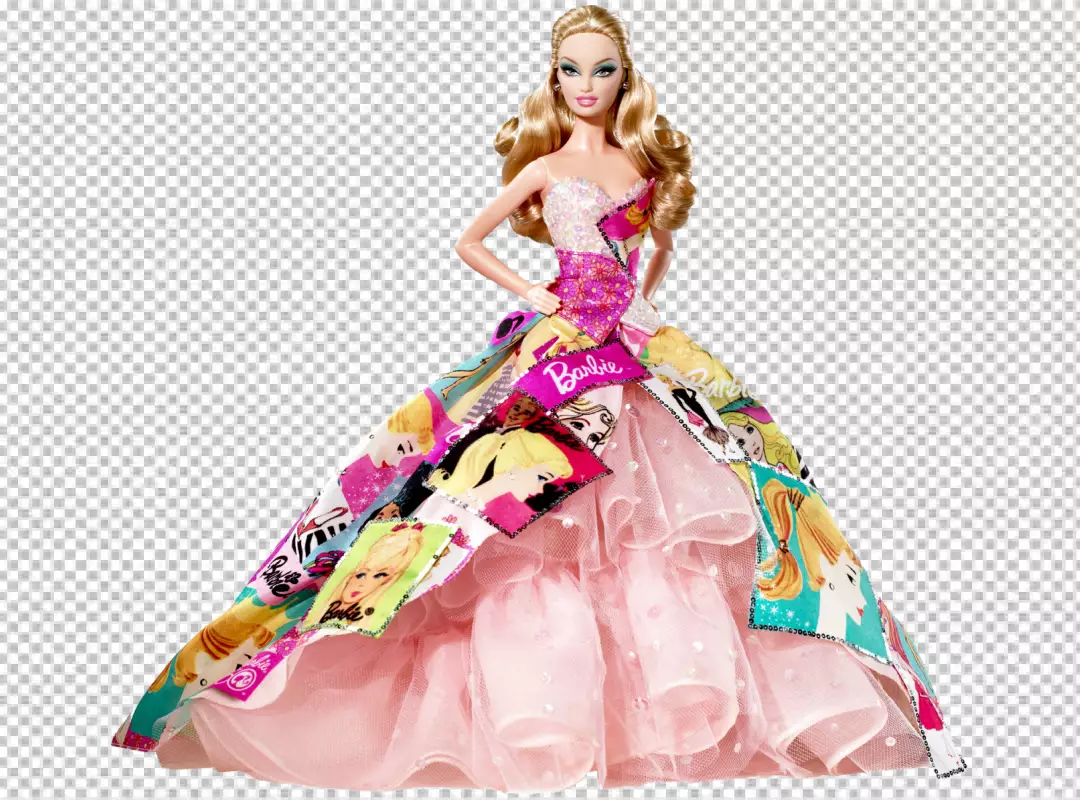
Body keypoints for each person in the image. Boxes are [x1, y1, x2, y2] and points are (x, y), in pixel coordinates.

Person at [110, 5, 966, 790]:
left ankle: (659, 706)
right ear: (554, 78)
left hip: (634, 353)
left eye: (602, 70)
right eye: (571, 70)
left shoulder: (641, 165)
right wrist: (540, 294)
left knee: (674, 521)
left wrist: (640, 310)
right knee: (513, 518)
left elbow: (657, 251)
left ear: (625, 78)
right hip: (559, 351)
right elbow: (469, 241)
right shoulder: (549, 167)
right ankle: (532, 706)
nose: (586, 85)